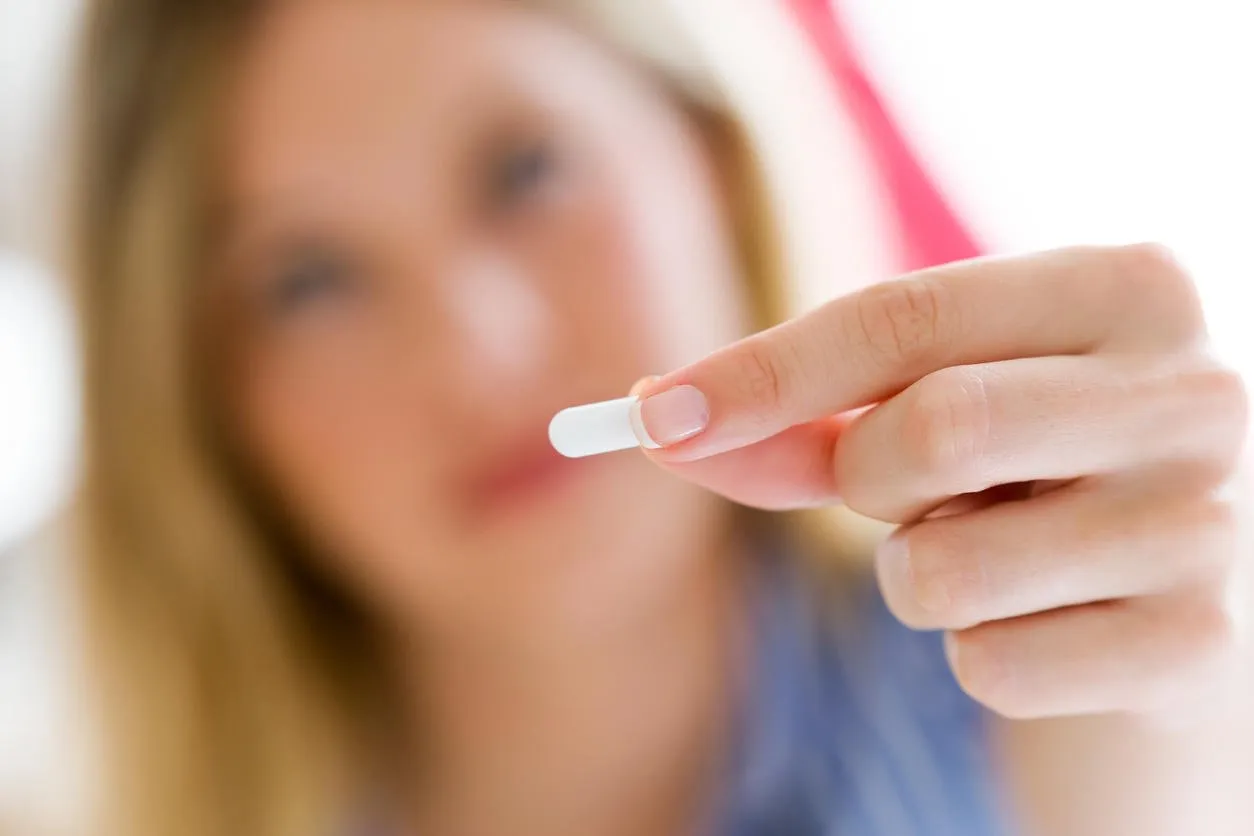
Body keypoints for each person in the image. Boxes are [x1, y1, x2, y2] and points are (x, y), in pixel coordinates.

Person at [70, 0, 1250, 834]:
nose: (475, 350)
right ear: (199, 403)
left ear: (714, 161)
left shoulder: (1021, 676)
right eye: (307, 279)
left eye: (524, 170)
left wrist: (1193, 673)